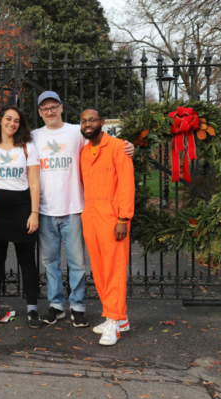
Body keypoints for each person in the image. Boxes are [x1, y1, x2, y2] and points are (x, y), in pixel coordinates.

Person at [31, 91, 134, 328]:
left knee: (78, 262)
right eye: (44, 108)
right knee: (50, 262)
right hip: (45, 210)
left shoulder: (75, 133)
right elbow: (9, 149)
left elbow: (103, 145)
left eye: (53, 107)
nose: (49, 111)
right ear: (39, 112)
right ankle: (56, 307)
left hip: (75, 207)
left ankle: (77, 307)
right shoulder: (33, 136)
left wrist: (129, 148)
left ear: (60, 107)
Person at [0, 105, 43, 329]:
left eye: (16, 120)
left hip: (22, 207)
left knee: (27, 261)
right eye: (8, 119)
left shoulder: (27, 147)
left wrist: (34, 213)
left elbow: (34, 182)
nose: (12, 123)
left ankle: (33, 311)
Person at [79, 107, 135, 346]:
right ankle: (118, 316)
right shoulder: (83, 151)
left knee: (114, 268)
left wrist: (124, 218)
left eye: (92, 119)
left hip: (112, 217)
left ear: (102, 122)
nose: (88, 124)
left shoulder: (118, 147)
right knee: (100, 268)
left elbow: (126, 184)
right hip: (90, 215)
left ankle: (112, 320)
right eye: (83, 121)